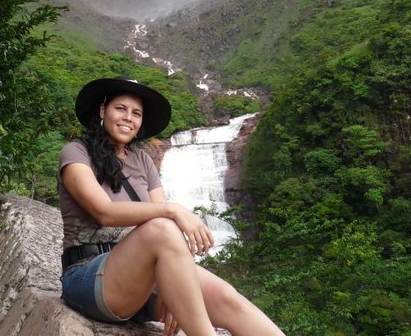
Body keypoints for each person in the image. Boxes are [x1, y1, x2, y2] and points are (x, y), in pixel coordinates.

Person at [59, 75, 285, 336]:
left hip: (144, 279)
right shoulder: (76, 153)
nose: (128, 118)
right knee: (163, 227)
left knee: (228, 299)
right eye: (120, 108)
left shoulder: (142, 161)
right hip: (89, 277)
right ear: (102, 110)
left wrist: (174, 288)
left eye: (136, 113)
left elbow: (163, 230)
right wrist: (173, 209)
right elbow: (105, 212)